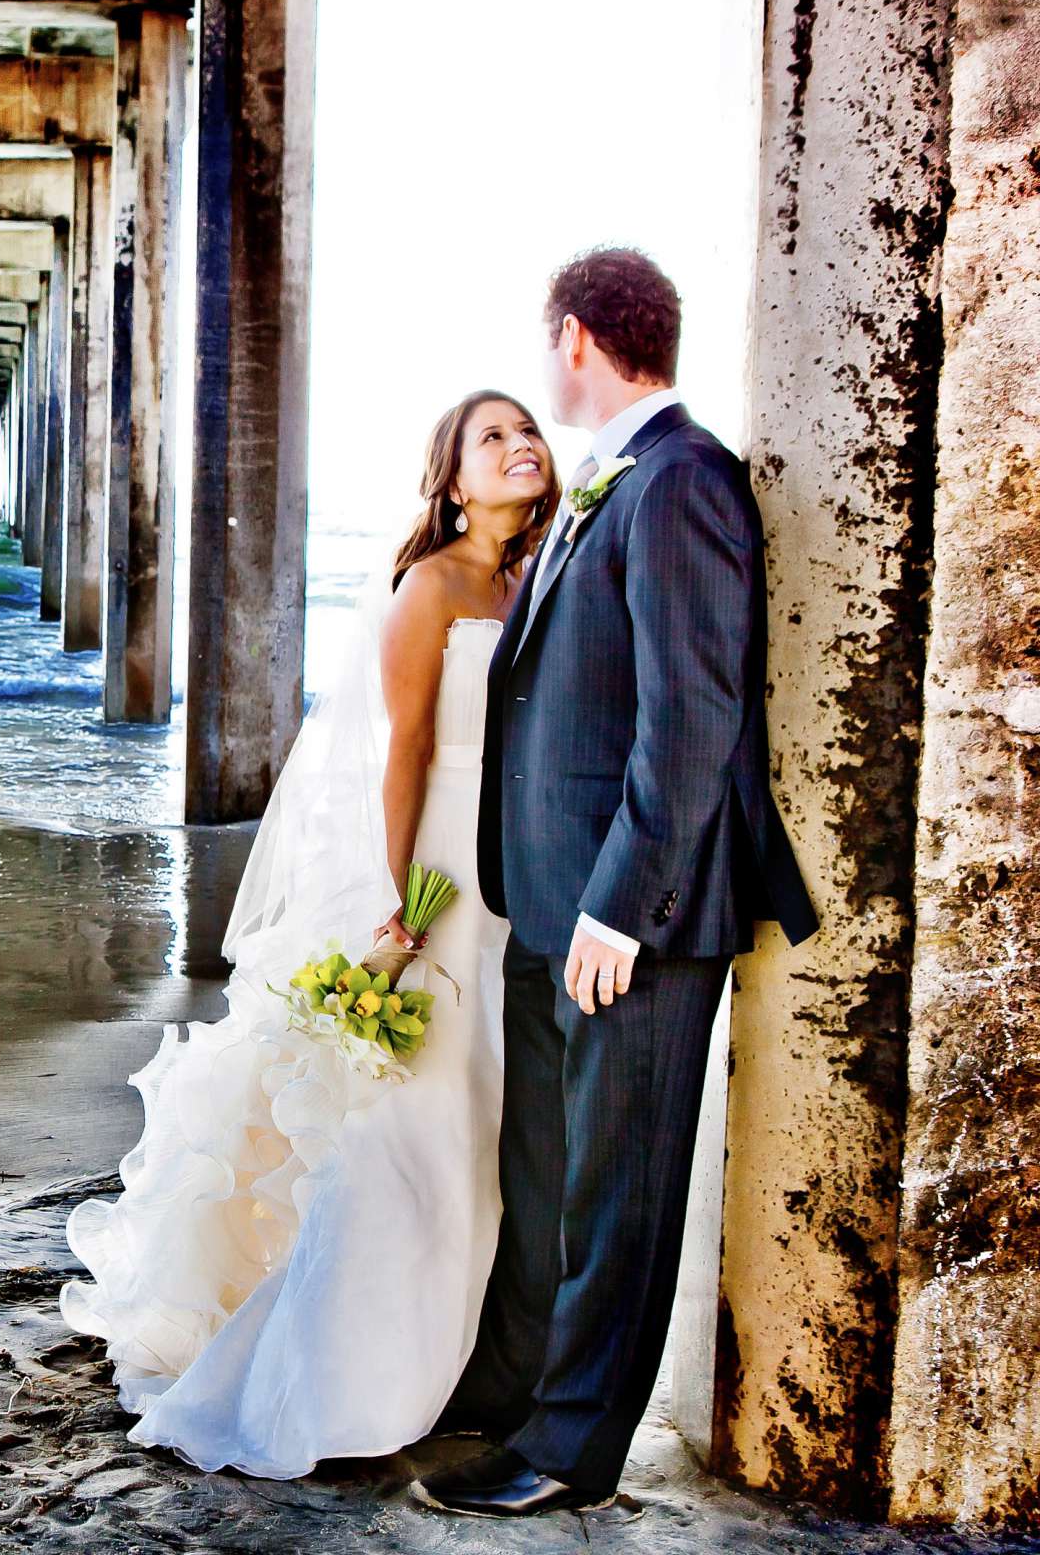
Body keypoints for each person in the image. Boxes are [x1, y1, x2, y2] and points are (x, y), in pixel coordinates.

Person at [58, 389, 557, 1477]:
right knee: (416, 1114)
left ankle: (474, 1359)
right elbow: (406, 748)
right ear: (453, 476)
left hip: (529, 867)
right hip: (443, 872)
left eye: (530, 431)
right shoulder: (430, 586)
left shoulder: (547, 573)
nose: (521, 446)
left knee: (493, 1114)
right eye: (493, 436)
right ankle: (351, 1375)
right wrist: (402, 895)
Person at [414, 247, 818, 1517]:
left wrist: (617, 909)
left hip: (629, 919)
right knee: (546, 1173)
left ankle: (568, 1452)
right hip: (547, 905)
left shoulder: (684, 479)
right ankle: (517, 1396)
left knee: (615, 1188)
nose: (545, 370)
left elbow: (691, 719)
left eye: (549, 347)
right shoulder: (609, 485)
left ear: (578, 338)